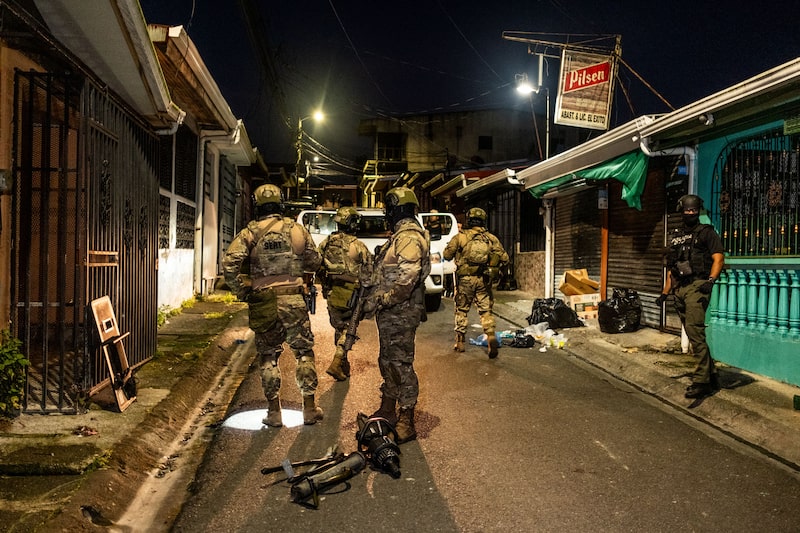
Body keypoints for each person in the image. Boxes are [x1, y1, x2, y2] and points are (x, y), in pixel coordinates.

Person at [222, 184, 324, 427]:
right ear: (281, 203)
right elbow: (315, 261)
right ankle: (309, 408)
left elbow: (229, 264)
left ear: (257, 206)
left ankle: (274, 412)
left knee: (268, 356)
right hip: (293, 299)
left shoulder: (251, 232)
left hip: (264, 301)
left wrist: (243, 291)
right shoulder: (296, 230)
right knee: (303, 352)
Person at [361, 186, 430, 443]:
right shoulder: (399, 236)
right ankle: (388, 408)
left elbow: (407, 277)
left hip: (400, 311)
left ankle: (406, 418)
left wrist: (386, 299)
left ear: (396, 209)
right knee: (388, 360)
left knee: (401, 364)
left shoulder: (408, 237)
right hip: (393, 313)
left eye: (389, 209)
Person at [656, 194, 725, 399]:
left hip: (698, 286)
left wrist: (710, 281)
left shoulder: (706, 233)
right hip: (680, 288)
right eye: (687, 210)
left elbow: (719, 258)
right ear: (681, 210)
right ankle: (711, 376)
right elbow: (672, 268)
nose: (690, 213)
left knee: (695, 333)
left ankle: (702, 382)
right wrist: (664, 293)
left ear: (699, 211)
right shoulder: (676, 236)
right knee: (691, 332)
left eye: (693, 210)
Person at [443, 207, 508, 358]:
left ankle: (460, 342)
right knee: (485, 310)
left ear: (469, 220)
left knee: (462, 309)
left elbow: (447, 255)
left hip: (465, 280)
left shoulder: (461, 237)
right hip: (484, 280)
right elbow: (505, 258)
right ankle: (490, 335)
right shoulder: (491, 239)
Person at [317, 206, 373, 381]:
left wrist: (326, 283)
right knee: (348, 328)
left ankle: (343, 363)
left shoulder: (326, 242)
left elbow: (315, 263)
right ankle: (337, 360)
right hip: (351, 294)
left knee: (339, 327)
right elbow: (370, 271)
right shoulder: (357, 245)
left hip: (332, 292)